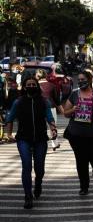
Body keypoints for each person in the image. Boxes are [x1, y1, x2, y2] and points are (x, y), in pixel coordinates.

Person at [5, 77, 57, 209]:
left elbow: (49, 118)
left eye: (34, 84)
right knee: (26, 165)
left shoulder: (44, 101)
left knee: (39, 168)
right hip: (23, 139)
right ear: (24, 87)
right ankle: (28, 196)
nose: (32, 86)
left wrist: (53, 130)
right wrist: (9, 134)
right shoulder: (19, 102)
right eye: (29, 84)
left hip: (40, 139)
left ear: (37, 87)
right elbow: (10, 118)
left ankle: (38, 183)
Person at [63, 71, 93, 195]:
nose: (80, 82)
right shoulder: (74, 95)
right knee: (81, 161)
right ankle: (84, 186)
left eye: (83, 79)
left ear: (89, 79)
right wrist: (73, 109)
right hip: (77, 135)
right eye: (79, 80)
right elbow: (65, 113)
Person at [35, 69, 64, 151]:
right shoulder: (52, 85)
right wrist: (63, 111)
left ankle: (40, 145)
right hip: (51, 107)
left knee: (40, 127)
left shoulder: (35, 86)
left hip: (38, 108)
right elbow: (57, 100)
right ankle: (55, 144)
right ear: (46, 76)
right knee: (52, 126)